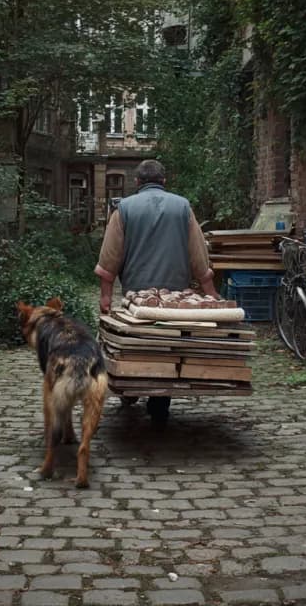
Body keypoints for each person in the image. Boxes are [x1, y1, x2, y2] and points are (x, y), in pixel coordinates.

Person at [94, 159, 219, 424]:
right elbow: (198, 254)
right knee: (167, 345)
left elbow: (110, 256)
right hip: (176, 297)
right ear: (164, 181)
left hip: (137, 295)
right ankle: (160, 403)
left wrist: (105, 296)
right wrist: (210, 293)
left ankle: (133, 387)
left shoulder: (124, 209)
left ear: (137, 182)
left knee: (139, 342)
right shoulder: (183, 207)